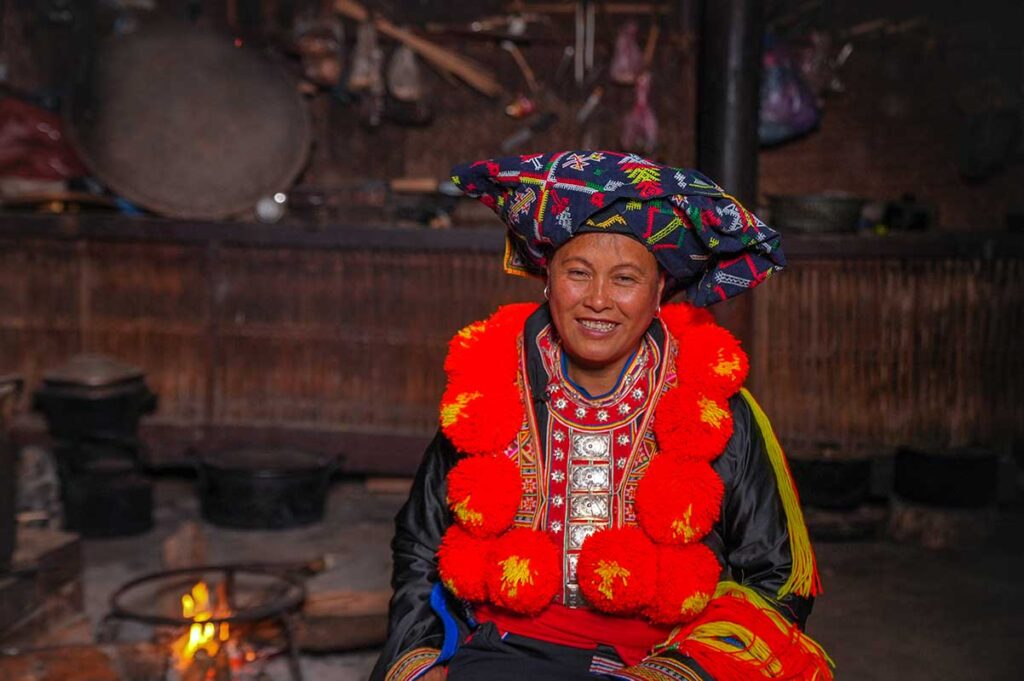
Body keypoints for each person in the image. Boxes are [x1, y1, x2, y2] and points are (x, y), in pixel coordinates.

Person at [370, 151, 833, 681]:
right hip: (503, 649)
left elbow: (776, 577)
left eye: (625, 279)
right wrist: (421, 660)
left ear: (659, 290)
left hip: (665, 659)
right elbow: (421, 544)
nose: (597, 300)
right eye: (579, 273)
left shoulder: (714, 407)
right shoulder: (490, 391)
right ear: (548, 279)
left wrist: (684, 672)